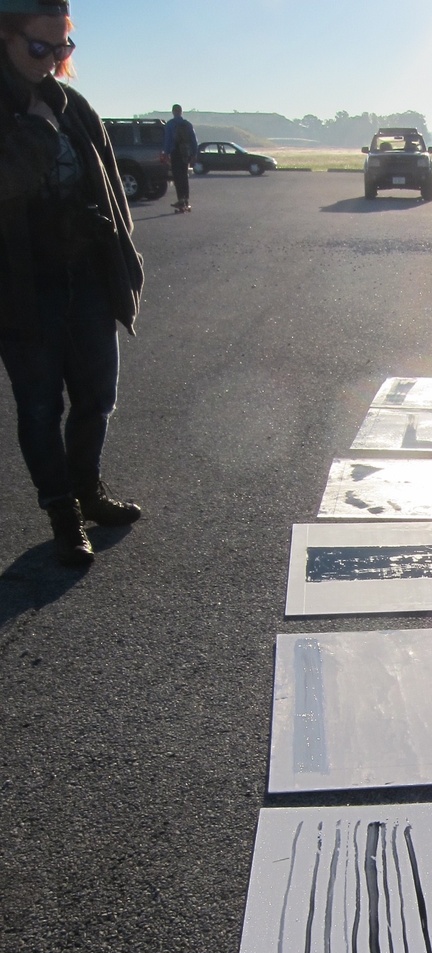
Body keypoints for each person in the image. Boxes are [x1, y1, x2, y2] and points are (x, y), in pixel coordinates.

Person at [0, 0, 144, 567]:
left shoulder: (73, 104)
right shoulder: (26, 108)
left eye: (64, 47)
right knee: (38, 407)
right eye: (40, 47)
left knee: (97, 397)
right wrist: (35, 129)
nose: (54, 59)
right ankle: (63, 513)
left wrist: (121, 259)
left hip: (84, 276)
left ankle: (89, 491)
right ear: (5, 37)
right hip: (20, 289)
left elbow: (108, 182)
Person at [161, 103, 197, 213]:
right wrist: (194, 154)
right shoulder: (188, 124)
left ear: (173, 112)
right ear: (181, 112)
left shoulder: (170, 124)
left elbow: (168, 140)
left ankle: (180, 199)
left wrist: (166, 153)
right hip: (185, 153)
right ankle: (186, 200)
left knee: (177, 177)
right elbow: (194, 141)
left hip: (175, 152)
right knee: (184, 176)